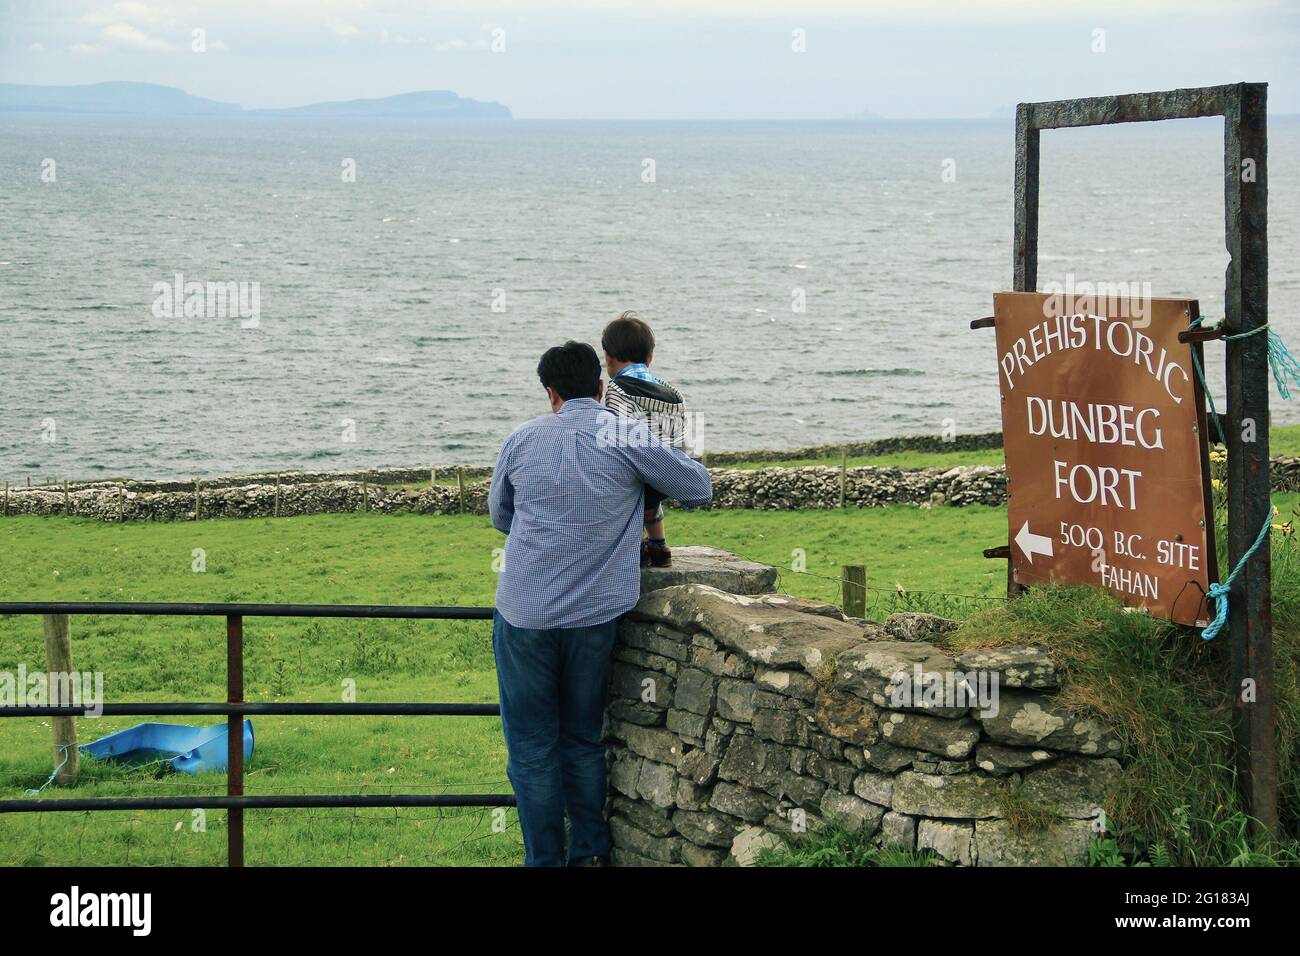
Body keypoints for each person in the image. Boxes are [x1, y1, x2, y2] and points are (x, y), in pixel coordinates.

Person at [488, 340, 712, 867]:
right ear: (601, 386)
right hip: (593, 615)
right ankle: (590, 855)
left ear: (550, 393)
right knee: (583, 739)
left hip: (524, 612)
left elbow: (501, 516)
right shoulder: (624, 432)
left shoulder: (521, 439)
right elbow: (697, 486)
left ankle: (544, 860)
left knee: (532, 747)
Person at [600, 311, 697, 568]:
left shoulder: (617, 390)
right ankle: (659, 546)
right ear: (650, 358)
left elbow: (617, 439)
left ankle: (636, 547)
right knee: (651, 501)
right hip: (670, 471)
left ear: (608, 357)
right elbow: (683, 439)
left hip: (637, 473)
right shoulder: (673, 393)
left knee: (629, 496)